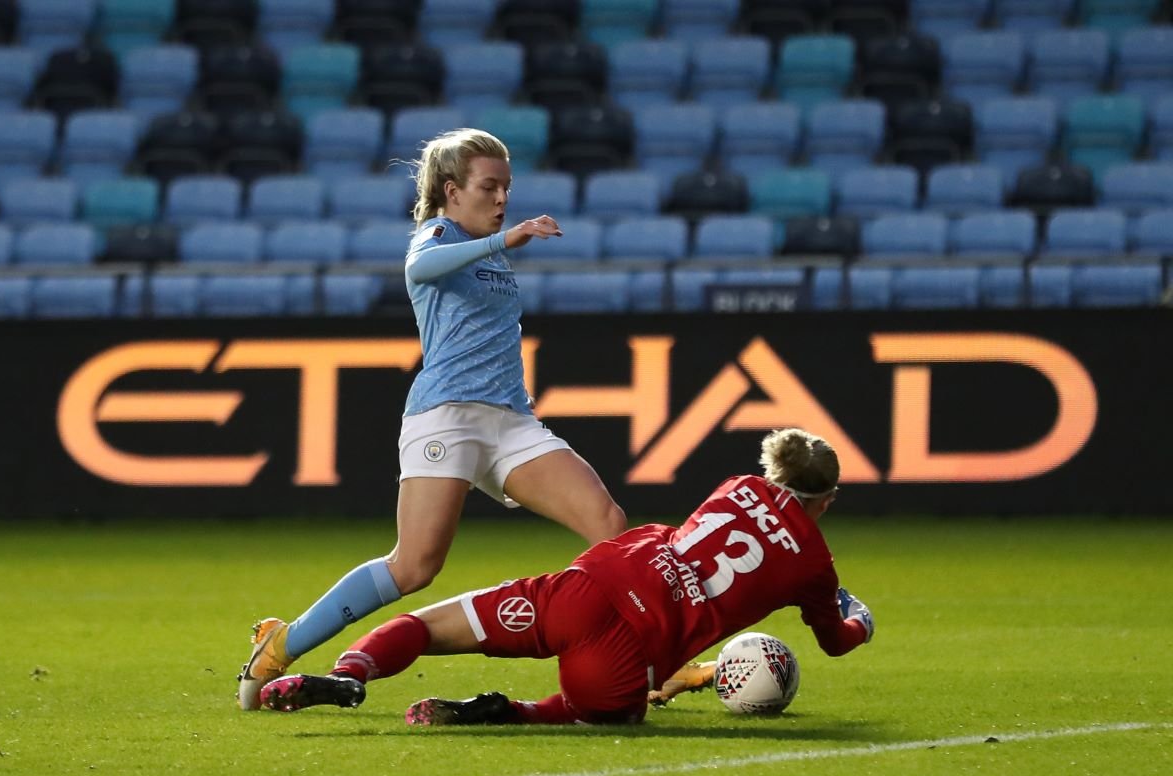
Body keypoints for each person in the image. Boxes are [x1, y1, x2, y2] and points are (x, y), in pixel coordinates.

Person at [236, 129, 627, 710]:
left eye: (507, 189)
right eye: (489, 187)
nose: (501, 200)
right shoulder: (439, 235)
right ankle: (283, 643)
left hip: (510, 422)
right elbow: (419, 271)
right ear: (452, 190)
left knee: (610, 523)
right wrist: (503, 242)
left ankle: (639, 658)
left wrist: (499, 244)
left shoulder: (483, 246)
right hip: (446, 417)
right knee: (415, 566)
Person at [257, 428, 875, 725]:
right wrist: (858, 620)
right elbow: (833, 639)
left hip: (586, 589)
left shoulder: (738, 486)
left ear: (772, 472)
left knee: (425, 623)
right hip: (634, 650)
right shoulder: (815, 564)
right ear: (830, 498)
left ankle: (350, 675)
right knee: (612, 714)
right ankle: (505, 712)